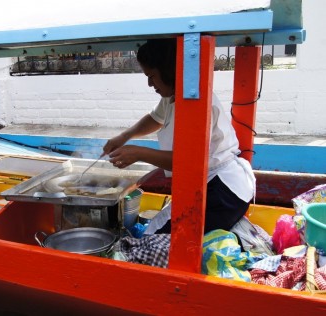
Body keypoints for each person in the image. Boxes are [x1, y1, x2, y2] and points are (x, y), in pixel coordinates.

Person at [102, 38, 256, 234]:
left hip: (223, 193)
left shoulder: (194, 101)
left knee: (156, 242)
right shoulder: (173, 94)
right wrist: (124, 137)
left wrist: (138, 153)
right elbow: (155, 118)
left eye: (152, 76)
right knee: (153, 234)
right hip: (207, 184)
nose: (150, 84)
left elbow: (188, 161)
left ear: (169, 70)